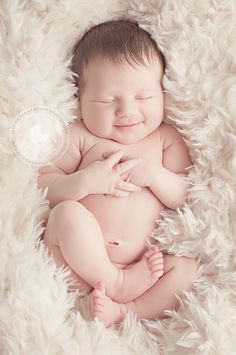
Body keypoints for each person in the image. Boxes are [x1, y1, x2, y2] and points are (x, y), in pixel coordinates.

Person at [37, 20, 200, 327]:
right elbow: (45, 184)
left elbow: (186, 193)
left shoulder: (165, 139)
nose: (127, 110)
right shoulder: (81, 136)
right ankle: (113, 281)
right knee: (65, 215)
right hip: (75, 264)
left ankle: (127, 312)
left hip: (144, 269)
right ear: (80, 100)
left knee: (188, 271)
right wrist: (84, 182)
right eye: (107, 100)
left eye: (143, 97)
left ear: (162, 93)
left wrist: (154, 175)